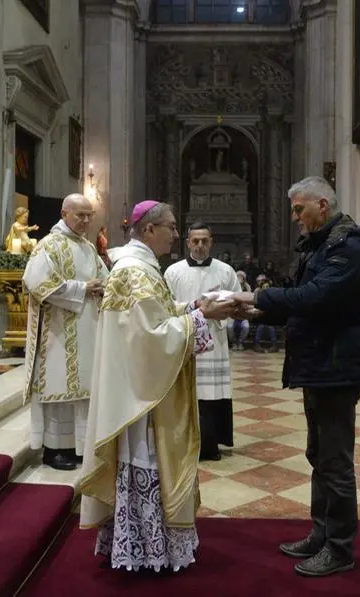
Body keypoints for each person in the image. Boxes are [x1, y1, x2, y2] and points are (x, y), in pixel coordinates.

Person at [79, 201, 236, 573]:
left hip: (140, 388)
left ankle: (147, 545)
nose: (177, 234)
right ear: (148, 230)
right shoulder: (136, 272)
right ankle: (148, 549)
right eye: (170, 226)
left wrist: (193, 306)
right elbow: (149, 339)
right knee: (145, 458)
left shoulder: (142, 269)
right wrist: (201, 317)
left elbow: (154, 319)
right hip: (141, 398)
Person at [235, 175, 360, 578]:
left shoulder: (347, 249)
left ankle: (341, 548)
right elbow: (300, 298)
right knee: (319, 456)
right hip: (319, 365)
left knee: (335, 462)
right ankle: (321, 534)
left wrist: (255, 296)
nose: (295, 217)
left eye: (299, 210)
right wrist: (259, 312)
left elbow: (314, 298)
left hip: (337, 367)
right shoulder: (321, 244)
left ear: (323, 207)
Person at [22, 194, 107, 471]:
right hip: (57, 332)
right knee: (60, 389)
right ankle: (55, 449)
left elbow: (105, 279)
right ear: (64, 213)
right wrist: (82, 289)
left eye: (88, 216)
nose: (85, 221)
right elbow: (36, 282)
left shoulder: (88, 247)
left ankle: (79, 445)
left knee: (82, 391)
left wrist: (107, 287)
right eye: (79, 215)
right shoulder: (49, 245)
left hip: (87, 328)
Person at [164, 221, 242, 461]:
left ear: (211, 242)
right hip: (185, 338)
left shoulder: (225, 271)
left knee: (212, 394)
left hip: (215, 341)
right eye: (195, 241)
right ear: (187, 242)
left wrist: (222, 311)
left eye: (204, 241)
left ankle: (209, 444)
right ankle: (184, 443)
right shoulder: (173, 272)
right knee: (187, 393)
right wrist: (193, 308)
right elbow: (165, 306)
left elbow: (236, 301)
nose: (199, 245)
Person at [253, 274, 279, 352]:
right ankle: (256, 345)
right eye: (259, 281)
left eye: (262, 281)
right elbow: (255, 303)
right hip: (259, 315)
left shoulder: (272, 291)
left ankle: (274, 345)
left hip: (270, 315)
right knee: (261, 326)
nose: (260, 282)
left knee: (270, 326)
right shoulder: (257, 291)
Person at [231, 271, 252, 350]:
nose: (240, 278)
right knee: (229, 327)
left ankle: (240, 342)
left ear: (244, 278)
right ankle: (233, 343)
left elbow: (249, 300)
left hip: (243, 313)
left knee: (246, 327)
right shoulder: (232, 286)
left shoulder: (247, 287)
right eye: (238, 276)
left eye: (241, 277)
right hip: (232, 313)